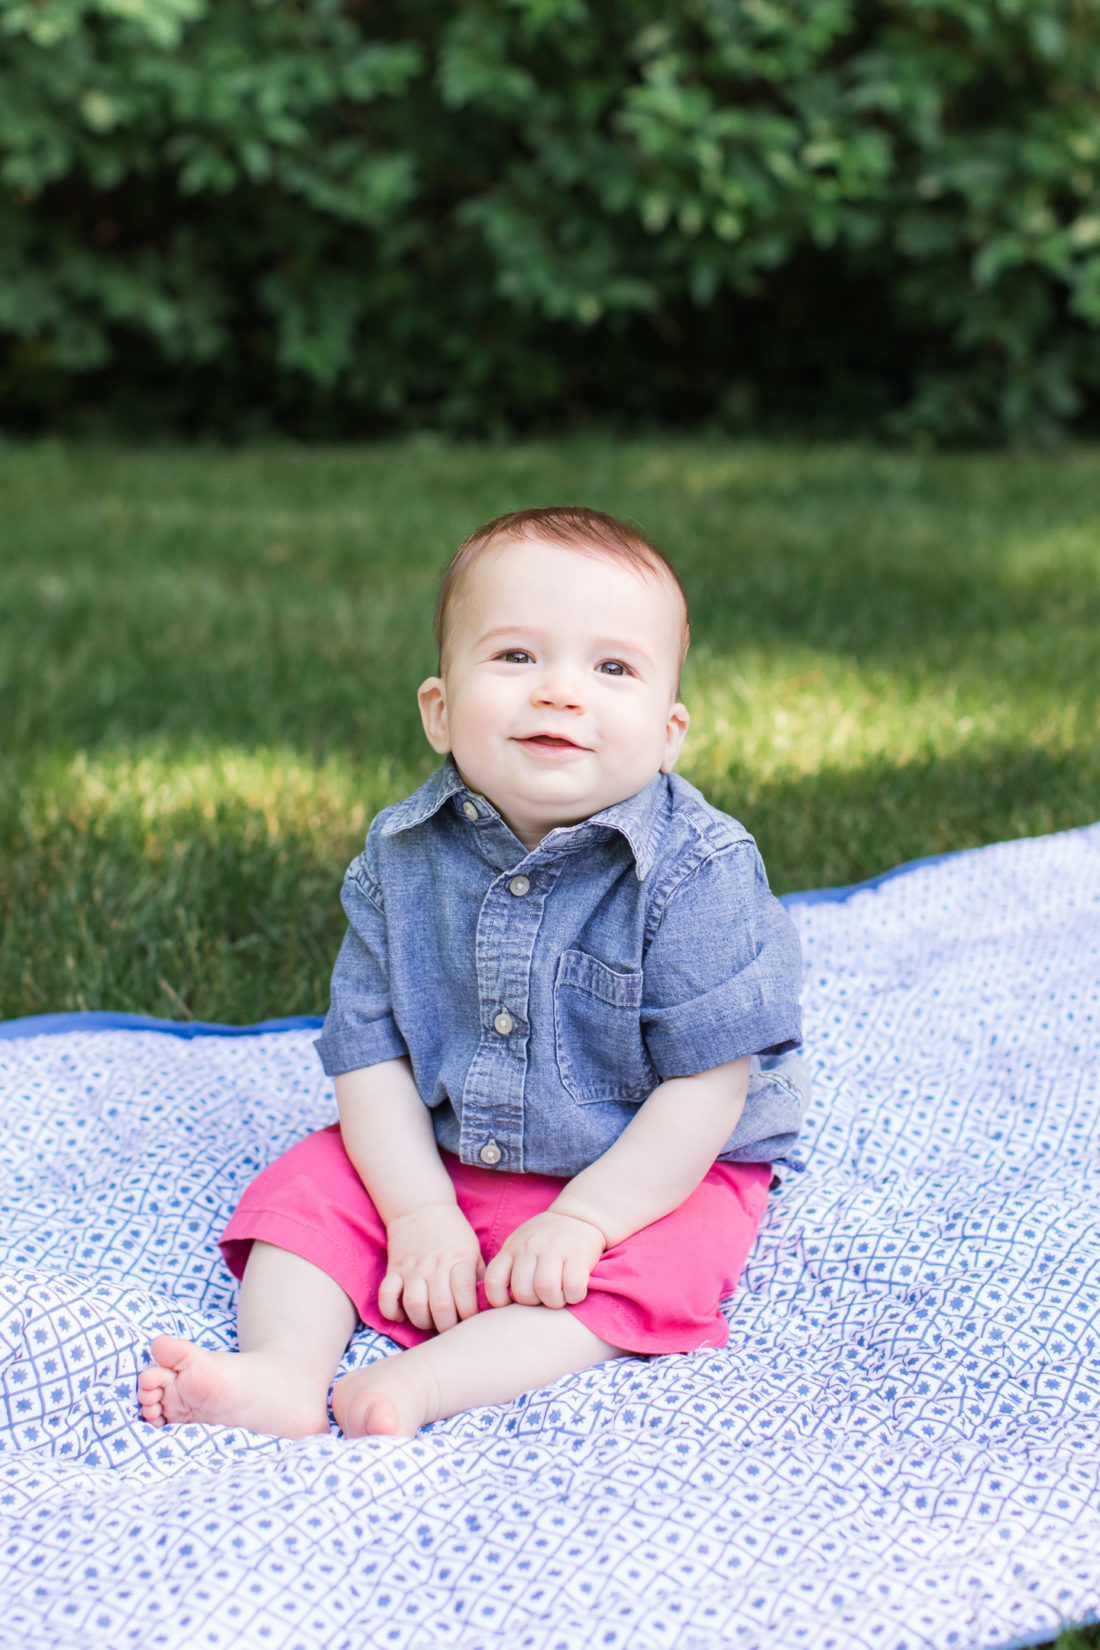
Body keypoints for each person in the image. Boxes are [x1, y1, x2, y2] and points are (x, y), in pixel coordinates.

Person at [138, 505, 809, 1440]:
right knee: (306, 1188)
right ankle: (282, 1373)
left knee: (676, 1262)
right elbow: (370, 1055)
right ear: (440, 711)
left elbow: (707, 1087)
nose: (561, 694)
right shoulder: (400, 858)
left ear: (668, 733)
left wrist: (587, 1220)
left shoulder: (698, 872)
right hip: (451, 1152)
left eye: (611, 668)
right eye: (516, 658)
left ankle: (425, 1384)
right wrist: (416, 1212)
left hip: (653, 1166)